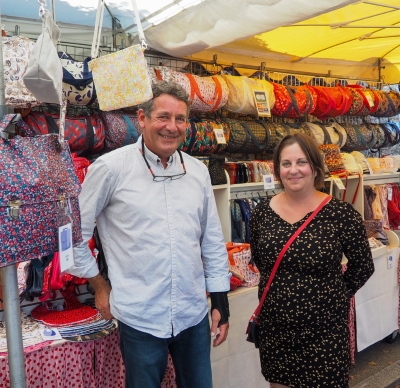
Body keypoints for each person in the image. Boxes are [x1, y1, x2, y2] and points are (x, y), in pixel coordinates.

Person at [68, 81, 231, 388]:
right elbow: (75, 233)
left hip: (192, 315)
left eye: (180, 119)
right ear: (142, 118)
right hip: (141, 317)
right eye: (163, 117)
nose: (172, 127)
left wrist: (220, 300)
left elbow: (211, 239)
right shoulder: (110, 169)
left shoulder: (196, 172)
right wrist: (99, 286)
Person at [249, 133, 374, 388]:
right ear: (278, 169)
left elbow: (363, 266)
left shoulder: (340, 215)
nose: (294, 170)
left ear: (315, 168)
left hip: (324, 332)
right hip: (277, 331)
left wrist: (334, 296)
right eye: (286, 164)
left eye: (301, 162)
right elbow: (262, 261)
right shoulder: (262, 213)